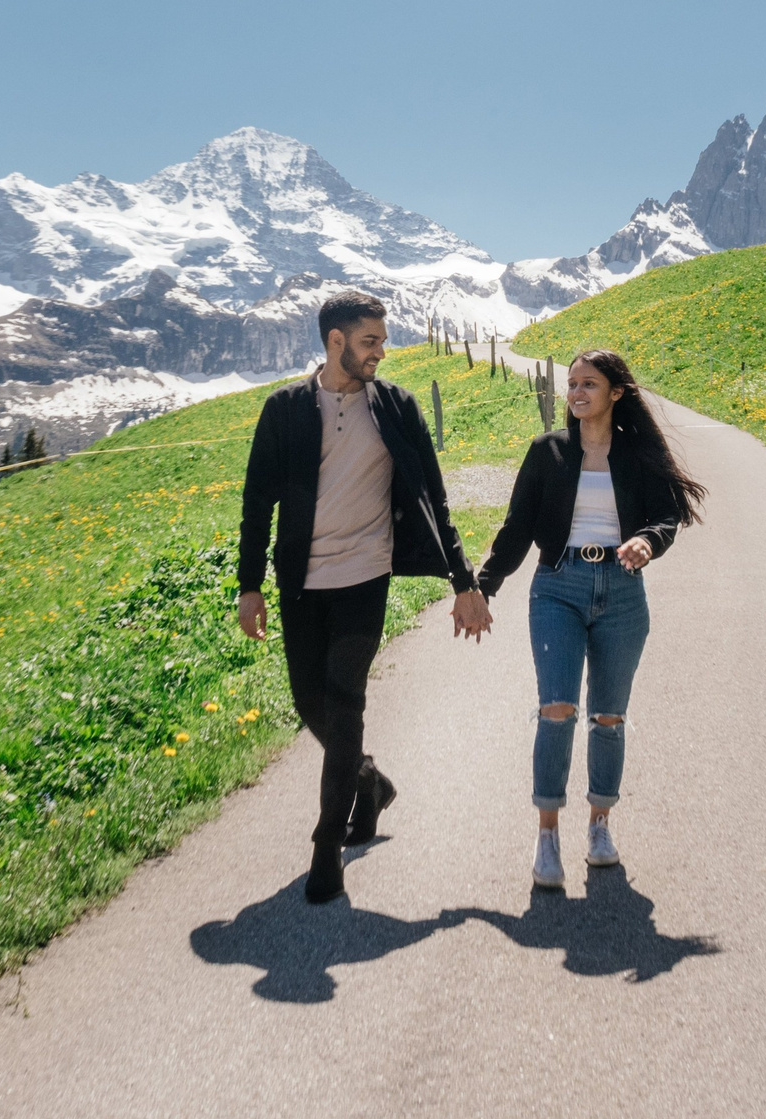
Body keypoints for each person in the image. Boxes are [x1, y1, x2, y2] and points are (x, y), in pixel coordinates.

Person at [238, 290, 492, 904]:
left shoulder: (398, 408)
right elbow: (256, 504)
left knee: (345, 698)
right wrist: (249, 586)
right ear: (335, 342)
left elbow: (435, 502)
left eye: (381, 339)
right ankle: (369, 781)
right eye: (370, 341)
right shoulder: (286, 410)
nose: (382, 350)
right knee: (310, 703)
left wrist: (465, 582)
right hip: (301, 581)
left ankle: (327, 845)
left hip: (365, 576)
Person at [475, 348, 705, 890]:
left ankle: (600, 825)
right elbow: (517, 529)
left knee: (608, 718)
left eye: (588, 385)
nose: (576, 393)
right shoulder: (548, 451)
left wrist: (647, 541)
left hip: (623, 593)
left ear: (615, 393)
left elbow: (667, 517)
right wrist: (482, 586)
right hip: (558, 587)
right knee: (557, 710)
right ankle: (547, 834)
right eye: (572, 384)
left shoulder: (638, 453)